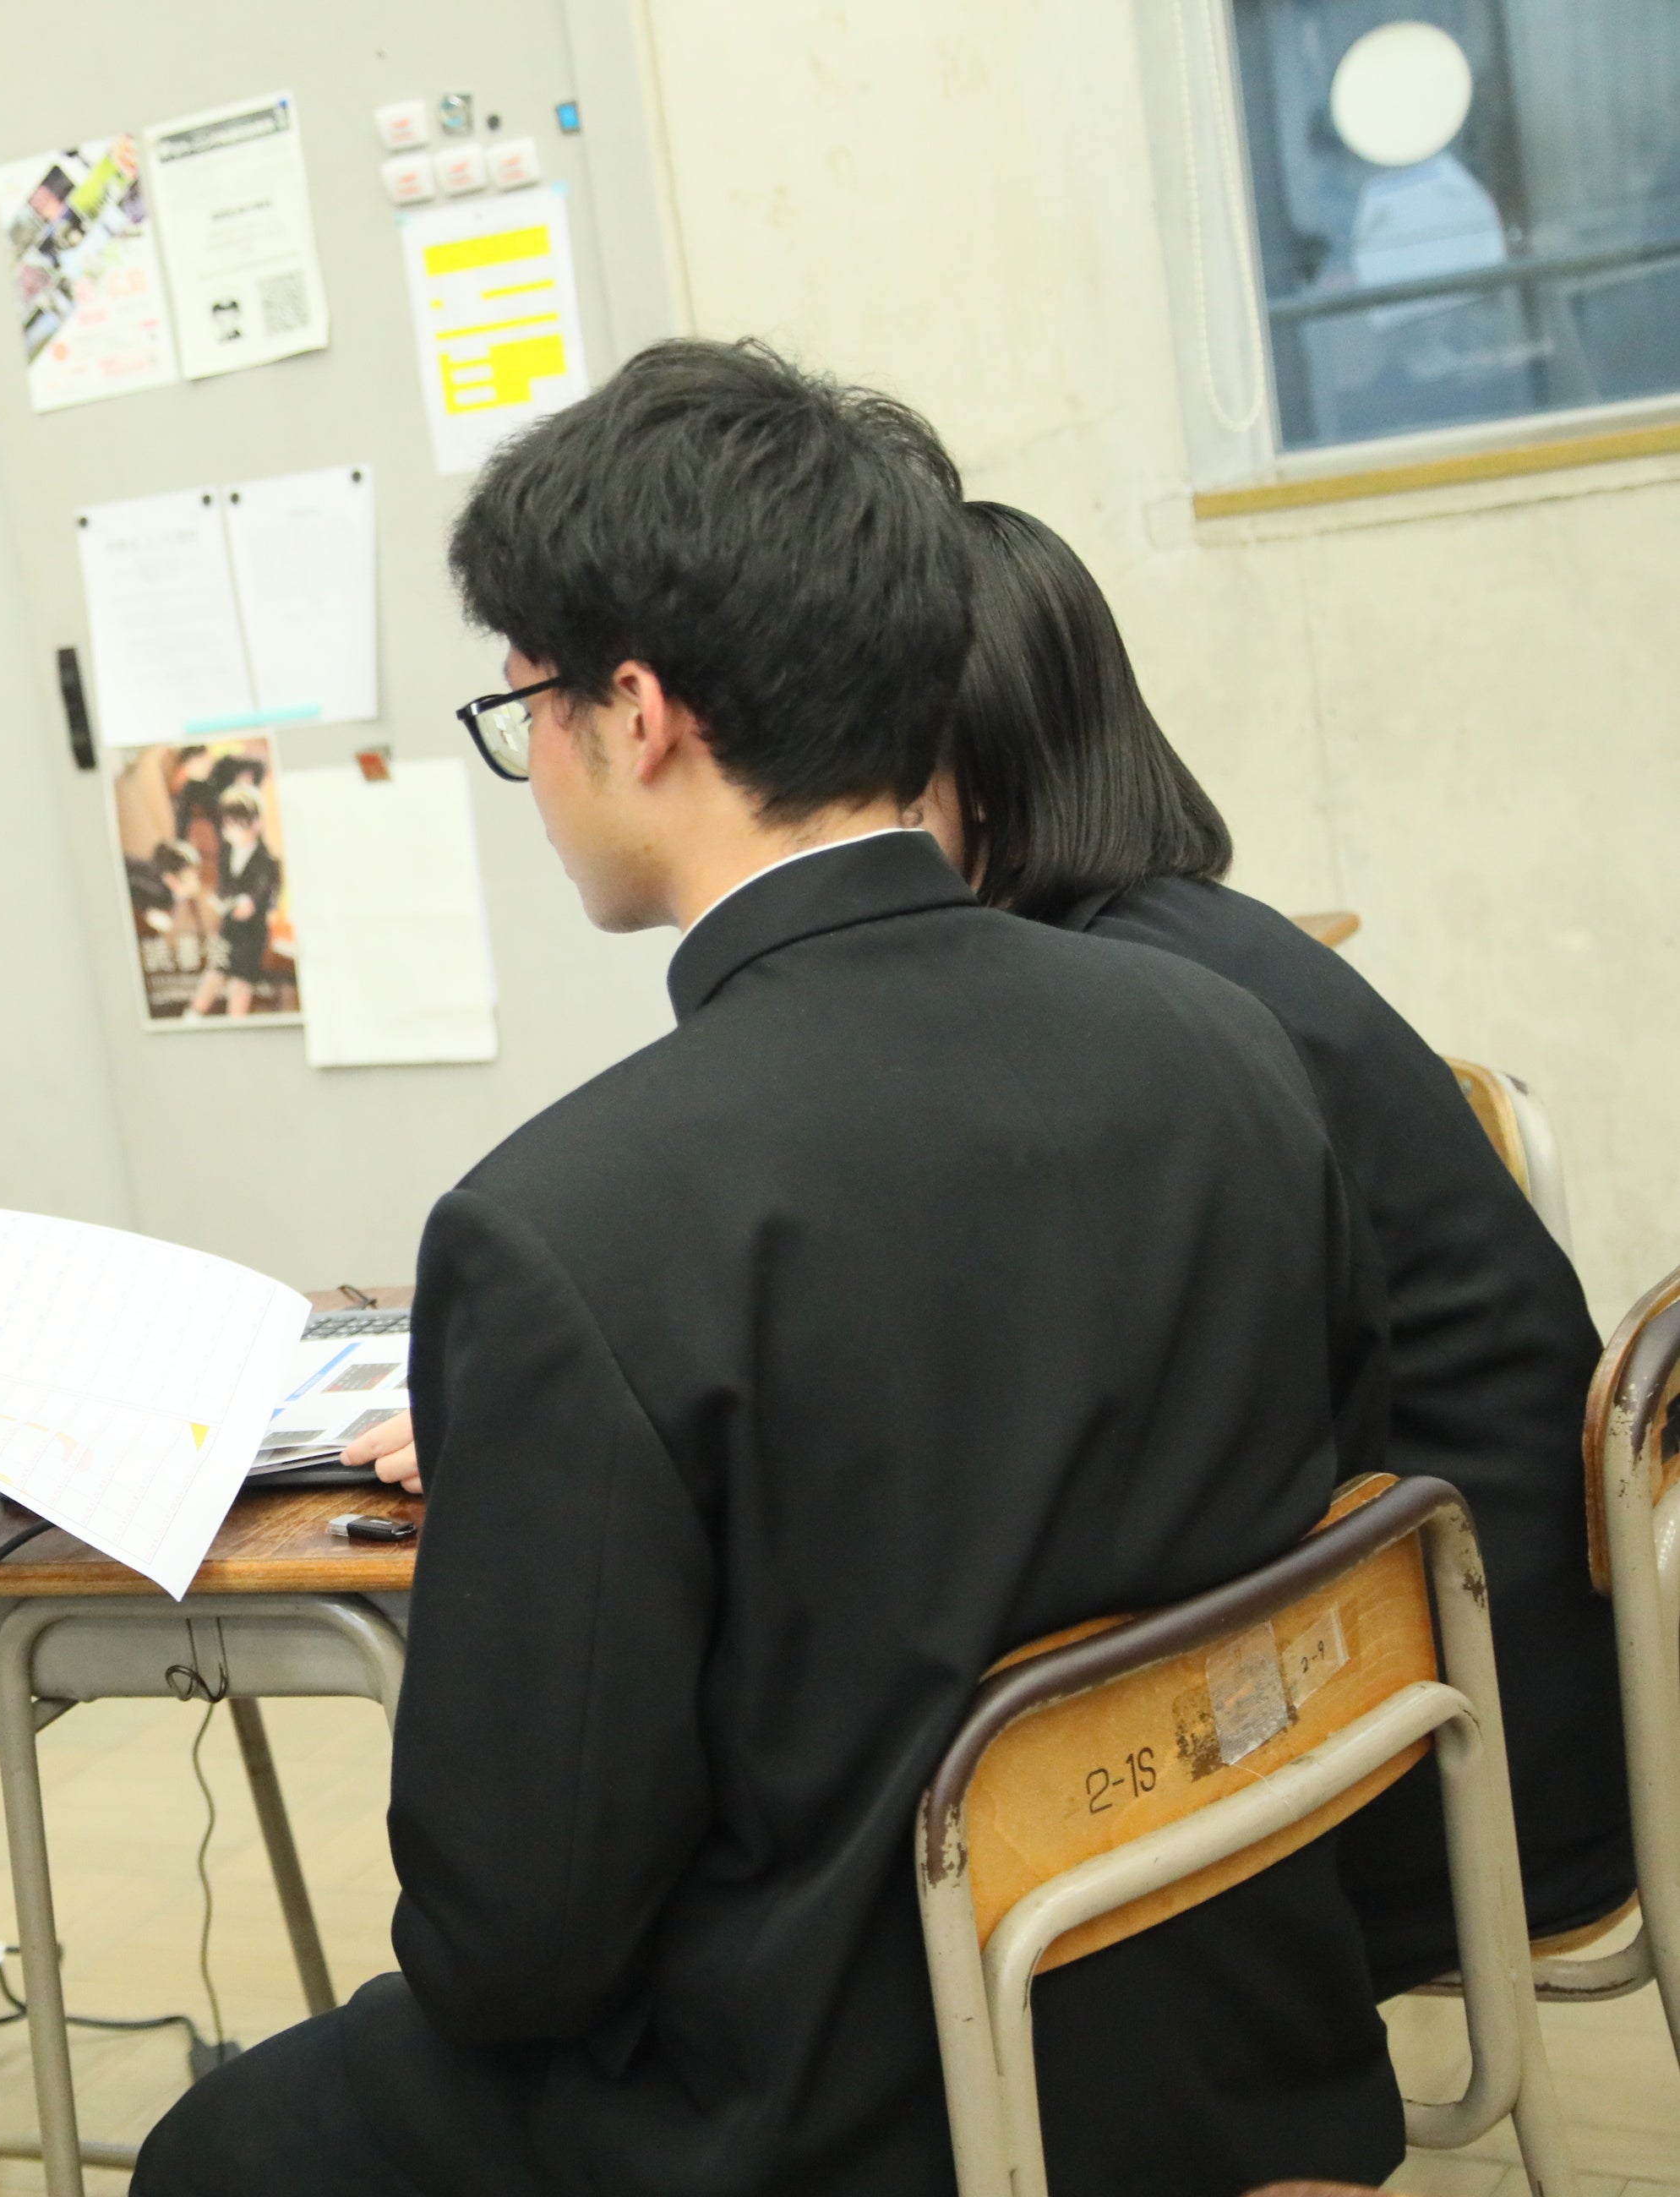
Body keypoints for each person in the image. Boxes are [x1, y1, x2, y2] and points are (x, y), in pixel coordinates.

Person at [141, 340, 1400, 2197]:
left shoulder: (569, 1225)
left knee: (225, 2151)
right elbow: (1332, 1491)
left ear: (637, 714)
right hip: (1244, 2030)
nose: (532, 765)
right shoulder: (1224, 1043)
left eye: (526, 707)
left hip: (856, 2112)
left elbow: (511, 1948)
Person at [906, 499, 1628, 1989]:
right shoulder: (1187, 943)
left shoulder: (1123, 1019)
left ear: (978, 755)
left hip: (1456, 1755)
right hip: (1520, 1679)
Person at [185, 782, 282, 1018]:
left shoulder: (267, 861)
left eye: (239, 825)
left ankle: (237, 1025)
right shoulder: (227, 852)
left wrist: (251, 903)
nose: (232, 832)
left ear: (256, 824)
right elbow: (224, 885)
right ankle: (192, 1017)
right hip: (228, 928)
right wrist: (220, 899)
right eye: (228, 826)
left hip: (252, 934)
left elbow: (267, 894)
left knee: (240, 984)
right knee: (213, 975)